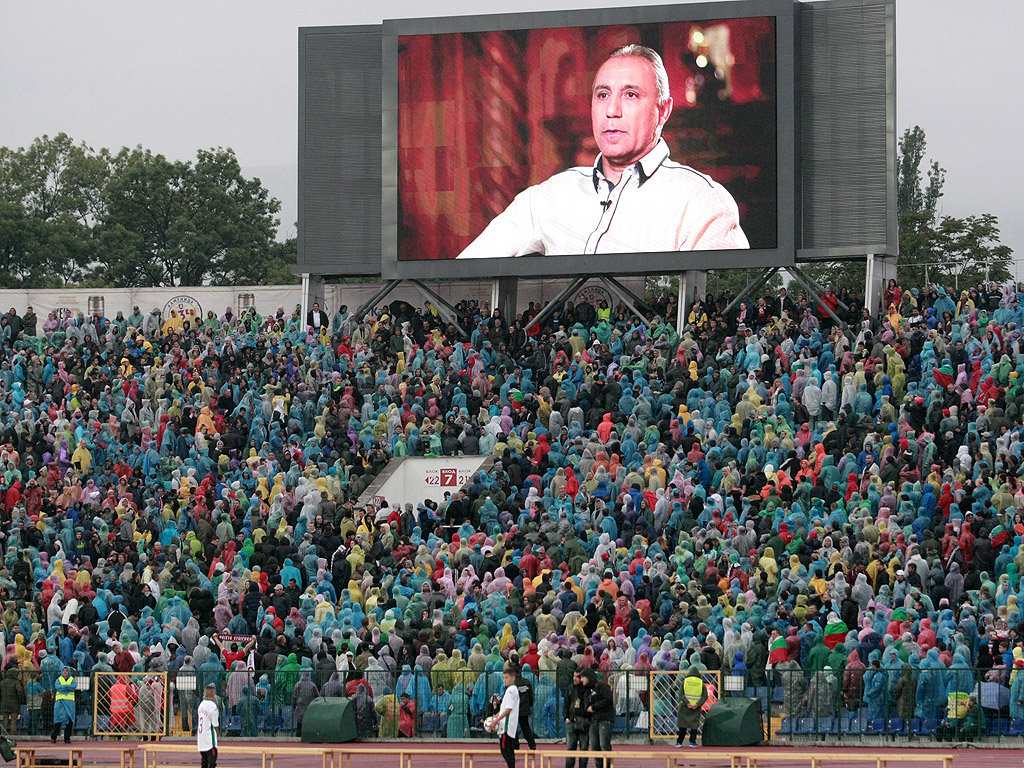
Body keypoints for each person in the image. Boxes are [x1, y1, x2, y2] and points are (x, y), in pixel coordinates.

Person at [456, 44, 747, 260]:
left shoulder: (701, 202)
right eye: (603, 95)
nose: (611, 111)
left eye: (630, 95)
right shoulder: (549, 196)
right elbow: (465, 272)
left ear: (662, 111)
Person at [581, 668, 613, 768]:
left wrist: (594, 707)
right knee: (595, 746)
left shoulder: (601, 686)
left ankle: (607, 766)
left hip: (604, 719)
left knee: (604, 745)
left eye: (583, 677)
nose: (581, 679)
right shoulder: (587, 690)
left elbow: (608, 699)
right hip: (593, 720)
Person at [492, 665, 521, 768]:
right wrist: (497, 714)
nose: (505, 680)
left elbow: (508, 709)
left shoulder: (511, 690)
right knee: (507, 751)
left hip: (506, 727)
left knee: (506, 751)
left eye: (507, 677)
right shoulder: (510, 690)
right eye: (504, 678)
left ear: (513, 678)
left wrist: (497, 720)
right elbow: (505, 708)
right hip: (507, 726)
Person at [675, 666, 707, 747]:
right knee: (694, 726)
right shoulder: (701, 683)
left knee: (682, 725)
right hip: (696, 708)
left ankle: (679, 742)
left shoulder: (685, 682)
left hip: (685, 707)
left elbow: (680, 694)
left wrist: (687, 703)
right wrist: (698, 704)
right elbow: (705, 696)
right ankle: (692, 742)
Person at [565, 669, 590, 768]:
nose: (574, 678)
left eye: (577, 676)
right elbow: (566, 704)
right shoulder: (570, 689)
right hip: (571, 721)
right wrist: (566, 717)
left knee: (584, 749)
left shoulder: (587, 690)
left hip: (584, 722)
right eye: (574, 676)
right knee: (570, 748)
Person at [513, 661, 537, 750]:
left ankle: (515, 745)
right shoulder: (526, 682)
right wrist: (530, 704)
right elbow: (531, 695)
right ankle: (532, 744)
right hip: (524, 708)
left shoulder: (512, 684)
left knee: (514, 728)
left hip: (515, 709)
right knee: (526, 727)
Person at [197, 684, 220, 768]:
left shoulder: (201, 705)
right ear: (213, 695)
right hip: (209, 739)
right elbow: (215, 724)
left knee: (204, 761)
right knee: (212, 762)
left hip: (201, 739)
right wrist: (217, 733)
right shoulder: (212, 706)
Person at [51, 666, 75, 743]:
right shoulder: (58, 680)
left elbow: (73, 687)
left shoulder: (72, 680)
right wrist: (67, 687)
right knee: (58, 719)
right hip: (60, 702)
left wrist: (64, 688)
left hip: (70, 703)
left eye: (66, 671)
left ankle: (67, 738)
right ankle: (54, 736)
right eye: (64, 671)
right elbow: (58, 687)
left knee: (70, 720)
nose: (65, 672)